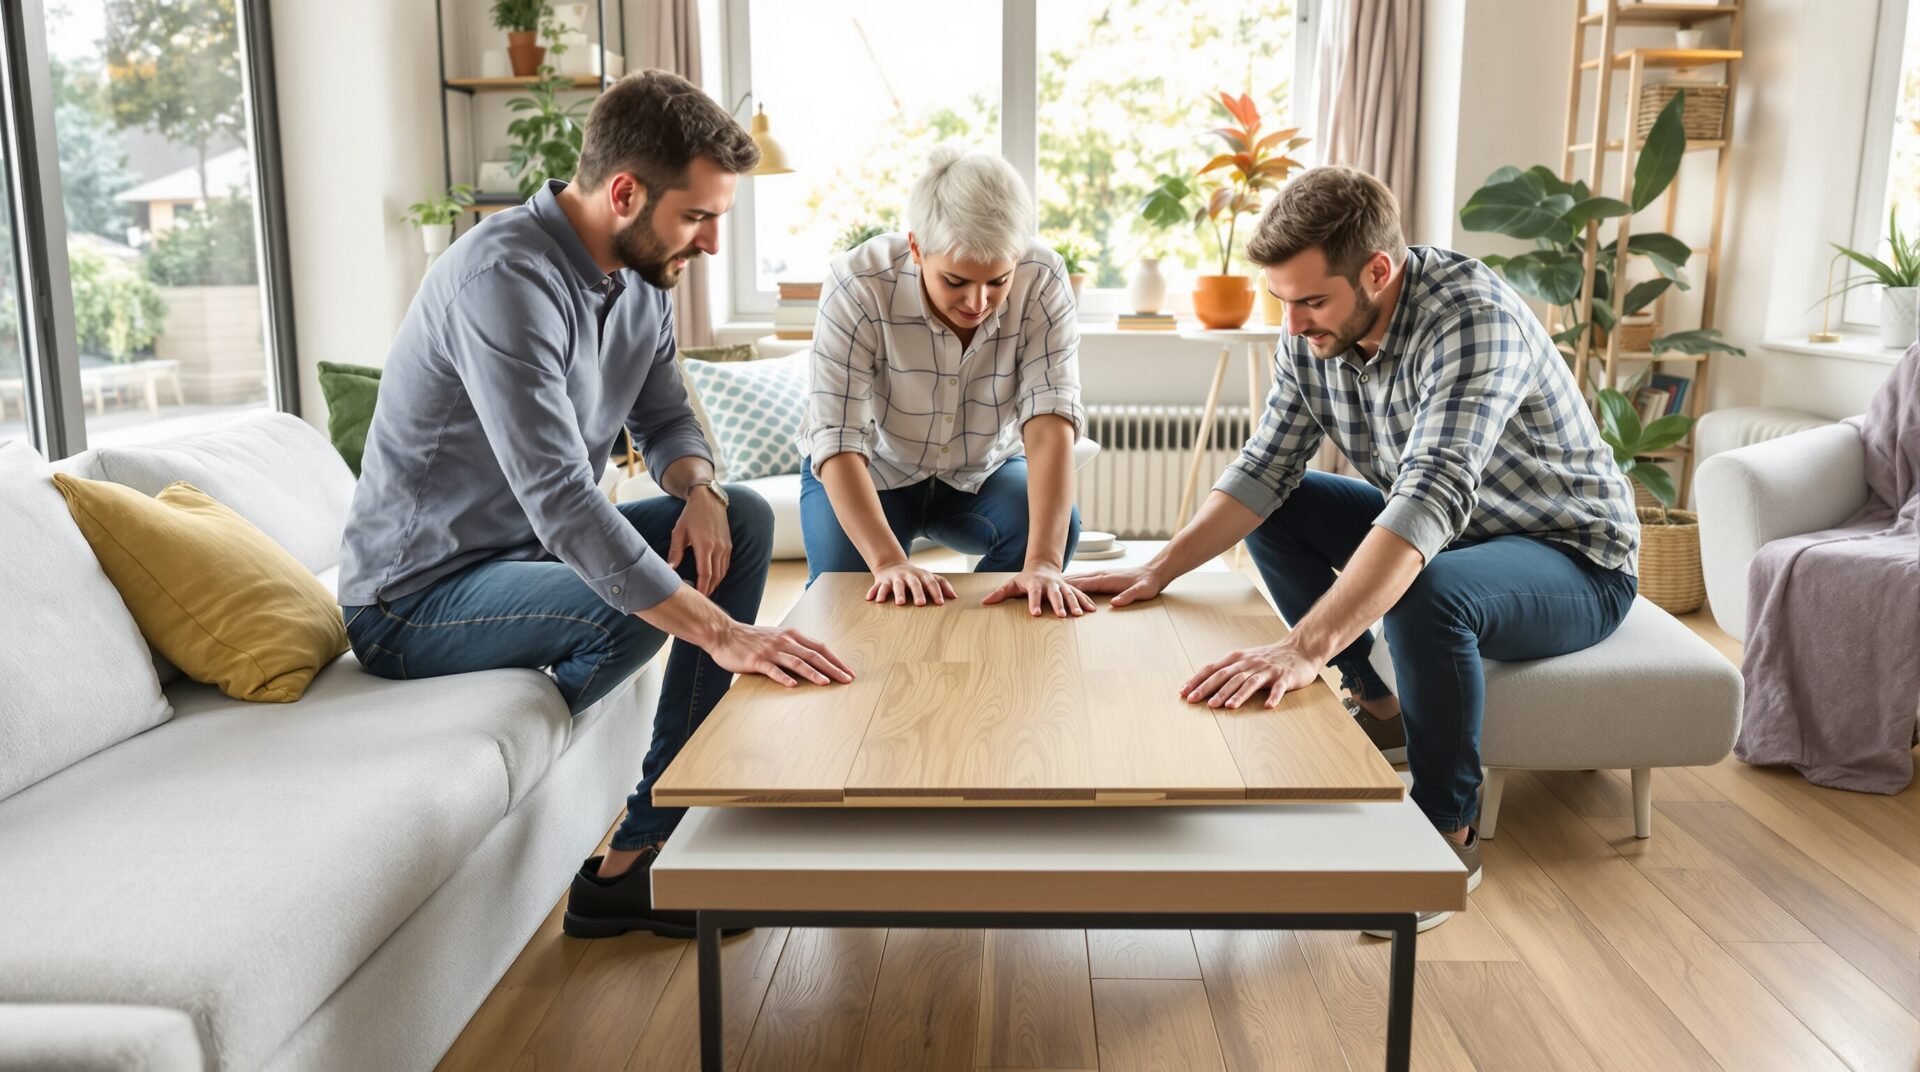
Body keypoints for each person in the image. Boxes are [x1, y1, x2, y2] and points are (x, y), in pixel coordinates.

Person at [335, 70, 851, 940]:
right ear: (624, 192)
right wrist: (724, 632)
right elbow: (560, 496)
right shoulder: (503, 282)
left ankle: (656, 837)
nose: (713, 245)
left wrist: (701, 489)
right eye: (698, 216)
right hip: (414, 599)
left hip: (527, 561)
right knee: (637, 607)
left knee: (745, 524)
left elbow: (665, 415)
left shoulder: (643, 277)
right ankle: (626, 867)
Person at [1070, 165, 1640, 932]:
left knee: (1432, 595)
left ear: (1378, 270)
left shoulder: (1472, 321)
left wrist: (1302, 646)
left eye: (1310, 301)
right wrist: (1157, 566)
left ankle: (1447, 835)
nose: (1295, 323)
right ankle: (1380, 709)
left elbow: (1430, 497)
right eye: (1283, 301)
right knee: (1281, 509)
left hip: (1570, 555)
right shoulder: (1310, 324)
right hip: (1455, 533)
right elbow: (1266, 466)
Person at [798, 146, 1093, 618]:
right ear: (916, 247)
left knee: (1052, 540)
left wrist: (1043, 563)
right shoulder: (857, 281)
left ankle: (984, 652)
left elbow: (1050, 415)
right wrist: (890, 562)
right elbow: (837, 436)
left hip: (980, 472)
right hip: (871, 469)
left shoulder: (1042, 276)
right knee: (847, 602)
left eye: (998, 281)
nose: (978, 302)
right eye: (956, 281)